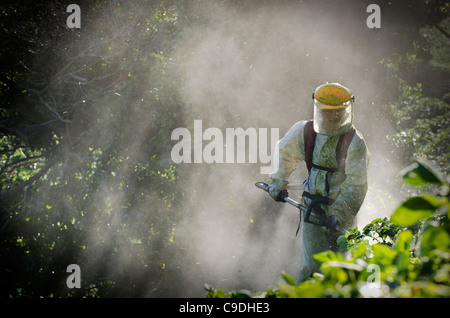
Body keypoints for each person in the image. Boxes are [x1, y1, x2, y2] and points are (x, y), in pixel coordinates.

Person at [267, 83, 370, 283]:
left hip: (342, 213)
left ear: (345, 111)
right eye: (326, 113)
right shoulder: (305, 131)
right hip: (311, 208)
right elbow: (285, 154)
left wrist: (340, 212)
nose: (331, 117)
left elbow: (356, 184)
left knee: (340, 270)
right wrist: (277, 183)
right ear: (318, 110)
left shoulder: (354, 142)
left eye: (337, 113)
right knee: (313, 268)